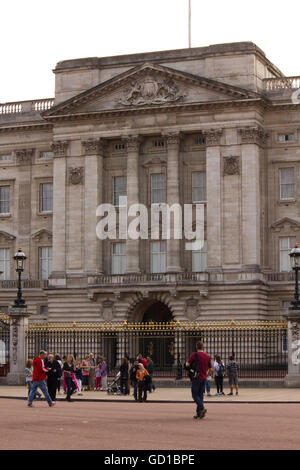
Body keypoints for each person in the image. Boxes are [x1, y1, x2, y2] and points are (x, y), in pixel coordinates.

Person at [186, 341, 212, 420]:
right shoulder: (207, 356)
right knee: (200, 396)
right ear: (203, 347)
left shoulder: (194, 355)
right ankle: (199, 413)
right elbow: (210, 368)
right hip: (203, 378)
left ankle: (202, 408)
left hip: (196, 377)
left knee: (194, 395)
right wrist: (206, 375)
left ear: (197, 347)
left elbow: (187, 364)